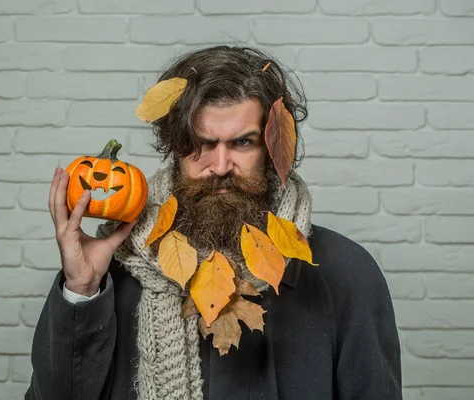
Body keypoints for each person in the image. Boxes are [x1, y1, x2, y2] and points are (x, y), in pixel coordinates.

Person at [25, 45, 402, 400]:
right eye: (201, 143)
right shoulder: (111, 271)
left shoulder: (344, 273)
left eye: (242, 143)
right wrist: (83, 288)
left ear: (273, 149)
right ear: (173, 147)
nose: (220, 167)